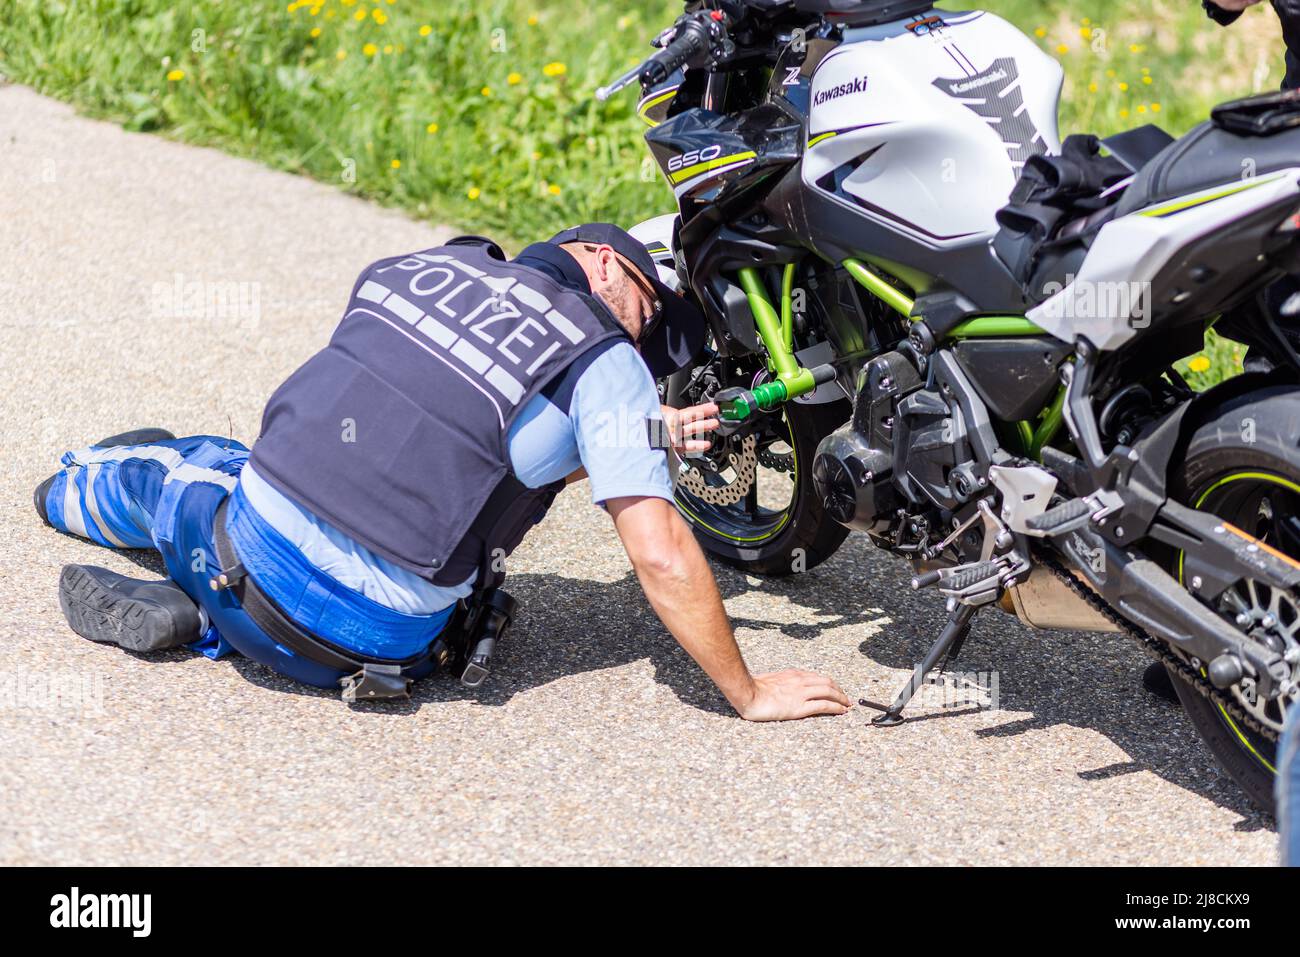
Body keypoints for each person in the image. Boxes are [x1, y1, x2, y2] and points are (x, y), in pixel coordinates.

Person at [34, 224, 850, 721]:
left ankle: (70, 488)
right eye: (647, 312)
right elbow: (659, 548)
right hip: (377, 649)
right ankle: (214, 616)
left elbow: (422, 416)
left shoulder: (421, 266)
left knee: (193, 467)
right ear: (603, 262)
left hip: (251, 551)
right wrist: (749, 690)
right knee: (270, 511)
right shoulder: (602, 360)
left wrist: (635, 431)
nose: (642, 345)